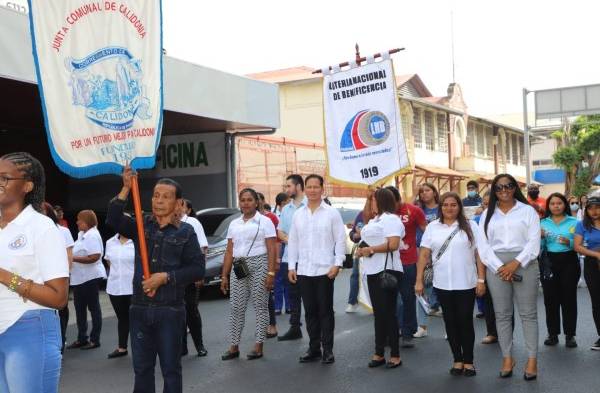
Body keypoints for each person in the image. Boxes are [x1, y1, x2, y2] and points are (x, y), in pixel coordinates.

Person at [106, 166, 205, 393]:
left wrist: (166, 277)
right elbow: (113, 218)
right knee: (142, 369)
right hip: (139, 309)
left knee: (171, 370)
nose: (159, 201)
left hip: (170, 311)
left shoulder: (186, 232)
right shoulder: (141, 225)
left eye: (166, 196)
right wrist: (125, 188)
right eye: (156, 195)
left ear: (179, 203)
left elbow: (198, 269)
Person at [0, 152, 69, 392]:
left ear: (27, 186)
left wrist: (4, 275)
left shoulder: (41, 227)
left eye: (5, 178)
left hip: (29, 327)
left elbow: (58, 297)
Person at [415, 192, 486, 376]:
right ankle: (457, 359)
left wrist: (481, 279)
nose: (449, 208)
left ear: (459, 207)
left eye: (453, 205)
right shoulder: (432, 227)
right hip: (442, 284)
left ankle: (469, 361)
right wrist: (419, 280)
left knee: (465, 322)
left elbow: (479, 254)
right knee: (450, 322)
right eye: (445, 205)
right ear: (441, 207)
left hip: (467, 283)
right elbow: (423, 254)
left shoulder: (471, 226)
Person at [478, 174, 541, 380]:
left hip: (525, 263)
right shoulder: (488, 213)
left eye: (508, 186)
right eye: (499, 187)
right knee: (502, 314)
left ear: (515, 187)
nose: (504, 190)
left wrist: (515, 264)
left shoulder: (528, 211)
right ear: (494, 190)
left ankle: (532, 360)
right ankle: (507, 357)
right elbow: (483, 246)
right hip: (496, 266)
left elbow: (533, 242)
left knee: (528, 314)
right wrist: (500, 267)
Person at [288, 174, 346, 364]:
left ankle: (327, 350)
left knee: (325, 311)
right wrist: (291, 266)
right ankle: (313, 348)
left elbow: (340, 239)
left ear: (322, 189)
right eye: (309, 187)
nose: (312, 190)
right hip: (304, 270)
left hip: (325, 270)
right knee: (310, 311)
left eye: (316, 187)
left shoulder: (331, 213)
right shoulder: (298, 214)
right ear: (304, 190)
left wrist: (337, 263)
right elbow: (294, 242)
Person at [364, 186, 426, 348]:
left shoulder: (413, 211)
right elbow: (364, 222)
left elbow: (426, 231)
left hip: (408, 261)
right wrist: (368, 198)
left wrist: (426, 254)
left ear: (397, 199)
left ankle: (407, 332)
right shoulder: (378, 216)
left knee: (407, 298)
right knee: (391, 302)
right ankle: (392, 331)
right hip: (385, 265)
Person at [220, 188, 277, 360]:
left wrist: (271, 273)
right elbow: (230, 250)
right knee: (236, 307)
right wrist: (224, 275)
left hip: (260, 263)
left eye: (249, 200)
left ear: (256, 202)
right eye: (242, 200)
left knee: (260, 306)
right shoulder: (234, 224)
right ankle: (233, 347)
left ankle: (258, 346)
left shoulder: (265, 221)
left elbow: (272, 248)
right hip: (239, 265)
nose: (246, 203)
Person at [355, 188, 404, 368]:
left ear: (381, 201)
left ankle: (395, 355)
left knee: (388, 313)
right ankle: (378, 353)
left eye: (373, 200)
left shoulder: (391, 219)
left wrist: (371, 250)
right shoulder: (375, 219)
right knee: (379, 313)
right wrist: (362, 250)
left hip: (388, 271)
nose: (371, 203)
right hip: (373, 269)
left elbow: (393, 244)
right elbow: (368, 235)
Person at [540, 193, 579, 348]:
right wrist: (541, 238)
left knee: (569, 298)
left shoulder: (575, 222)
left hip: (569, 261)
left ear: (565, 205)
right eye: (552, 203)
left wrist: (569, 242)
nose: (556, 206)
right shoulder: (542, 222)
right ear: (548, 206)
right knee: (550, 299)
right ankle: (553, 334)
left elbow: (581, 244)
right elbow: (537, 247)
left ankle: (570, 335)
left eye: (559, 203)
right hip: (549, 261)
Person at [67, 209, 106, 350]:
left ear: (87, 222)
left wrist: (73, 258)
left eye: (80, 220)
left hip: (90, 277)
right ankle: (82, 338)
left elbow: (95, 256)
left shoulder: (92, 236)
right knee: (79, 309)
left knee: (93, 308)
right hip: (79, 278)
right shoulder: (82, 235)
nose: (77, 222)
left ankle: (95, 339)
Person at [42, 202, 74, 354]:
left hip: (58, 276)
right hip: (39, 279)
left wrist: (65, 275)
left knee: (61, 309)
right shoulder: (33, 231)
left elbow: (69, 254)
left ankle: (60, 340)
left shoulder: (63, 231)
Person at [277, 174, 306, 341]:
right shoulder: (286, 209)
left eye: (289, 186)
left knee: (311, 298)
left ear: (298, 186)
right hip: (289, 259)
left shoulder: (310, 206)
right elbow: (280, 231)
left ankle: (317, 335)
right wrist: (291, 241)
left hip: (308, 260)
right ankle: (295, 328)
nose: (286, 189)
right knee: (293, 295)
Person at [180, 198, 209, 357]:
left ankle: (199, 345)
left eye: (181, 204)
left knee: (191, 310)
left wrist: (200, 272)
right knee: (177, 313)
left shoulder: (192, 222)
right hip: (173, 276)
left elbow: (203, 248)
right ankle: (182, 346)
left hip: (189, 274)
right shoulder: (165, 222)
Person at [414, 183, 441, 338]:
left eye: (427, 190)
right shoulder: (418, 210)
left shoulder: (441, 208)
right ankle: (422, 326)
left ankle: (449, 329)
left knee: (444, 291)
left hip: (439, 252)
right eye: (421, 191)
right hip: (421, 252)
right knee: (421, 288)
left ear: (434, 192)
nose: (424, 194)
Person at [573, 195, 600, 351]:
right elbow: (577, 246)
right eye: (590, 208)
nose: (594, 211)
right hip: (592, 265)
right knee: (597, 302)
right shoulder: (581, 225)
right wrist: (596, 254)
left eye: (597, 207)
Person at [104, 232, 135, 358]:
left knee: (136, 319)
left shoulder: (137, 241)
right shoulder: (110, 242)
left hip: (133, 287)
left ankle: (141, 349)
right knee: (122, 318)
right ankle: (122, 348)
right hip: (115, 287)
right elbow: (109, 262)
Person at [257, 192, 280, 339]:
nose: (253, 203)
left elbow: (275, 240)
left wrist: (276, 260)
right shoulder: (243, 220)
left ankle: (272, 325)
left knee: (267, 293)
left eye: (256, 200)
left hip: (267, 259)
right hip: (252, 262)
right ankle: (262, 325)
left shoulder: (269, 218)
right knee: (257, 296)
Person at [273, 192, 291, 315]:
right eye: (284, 204)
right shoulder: (275, 217)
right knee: (278, 279)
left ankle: (289, 306)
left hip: (288, 245)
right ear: (279, 205)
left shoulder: (292, 213)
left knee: (288, 278)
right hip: (278, 246)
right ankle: (278, 306)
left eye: (288, 203)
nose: (287, 206)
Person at [346, 210, 364, 313]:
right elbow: (352, 232)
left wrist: (362, 232)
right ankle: (352, 302)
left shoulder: (383, 215)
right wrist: (354, 236)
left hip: (377, 251)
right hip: (360, 250)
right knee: (355, 275)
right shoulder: (361, 214)